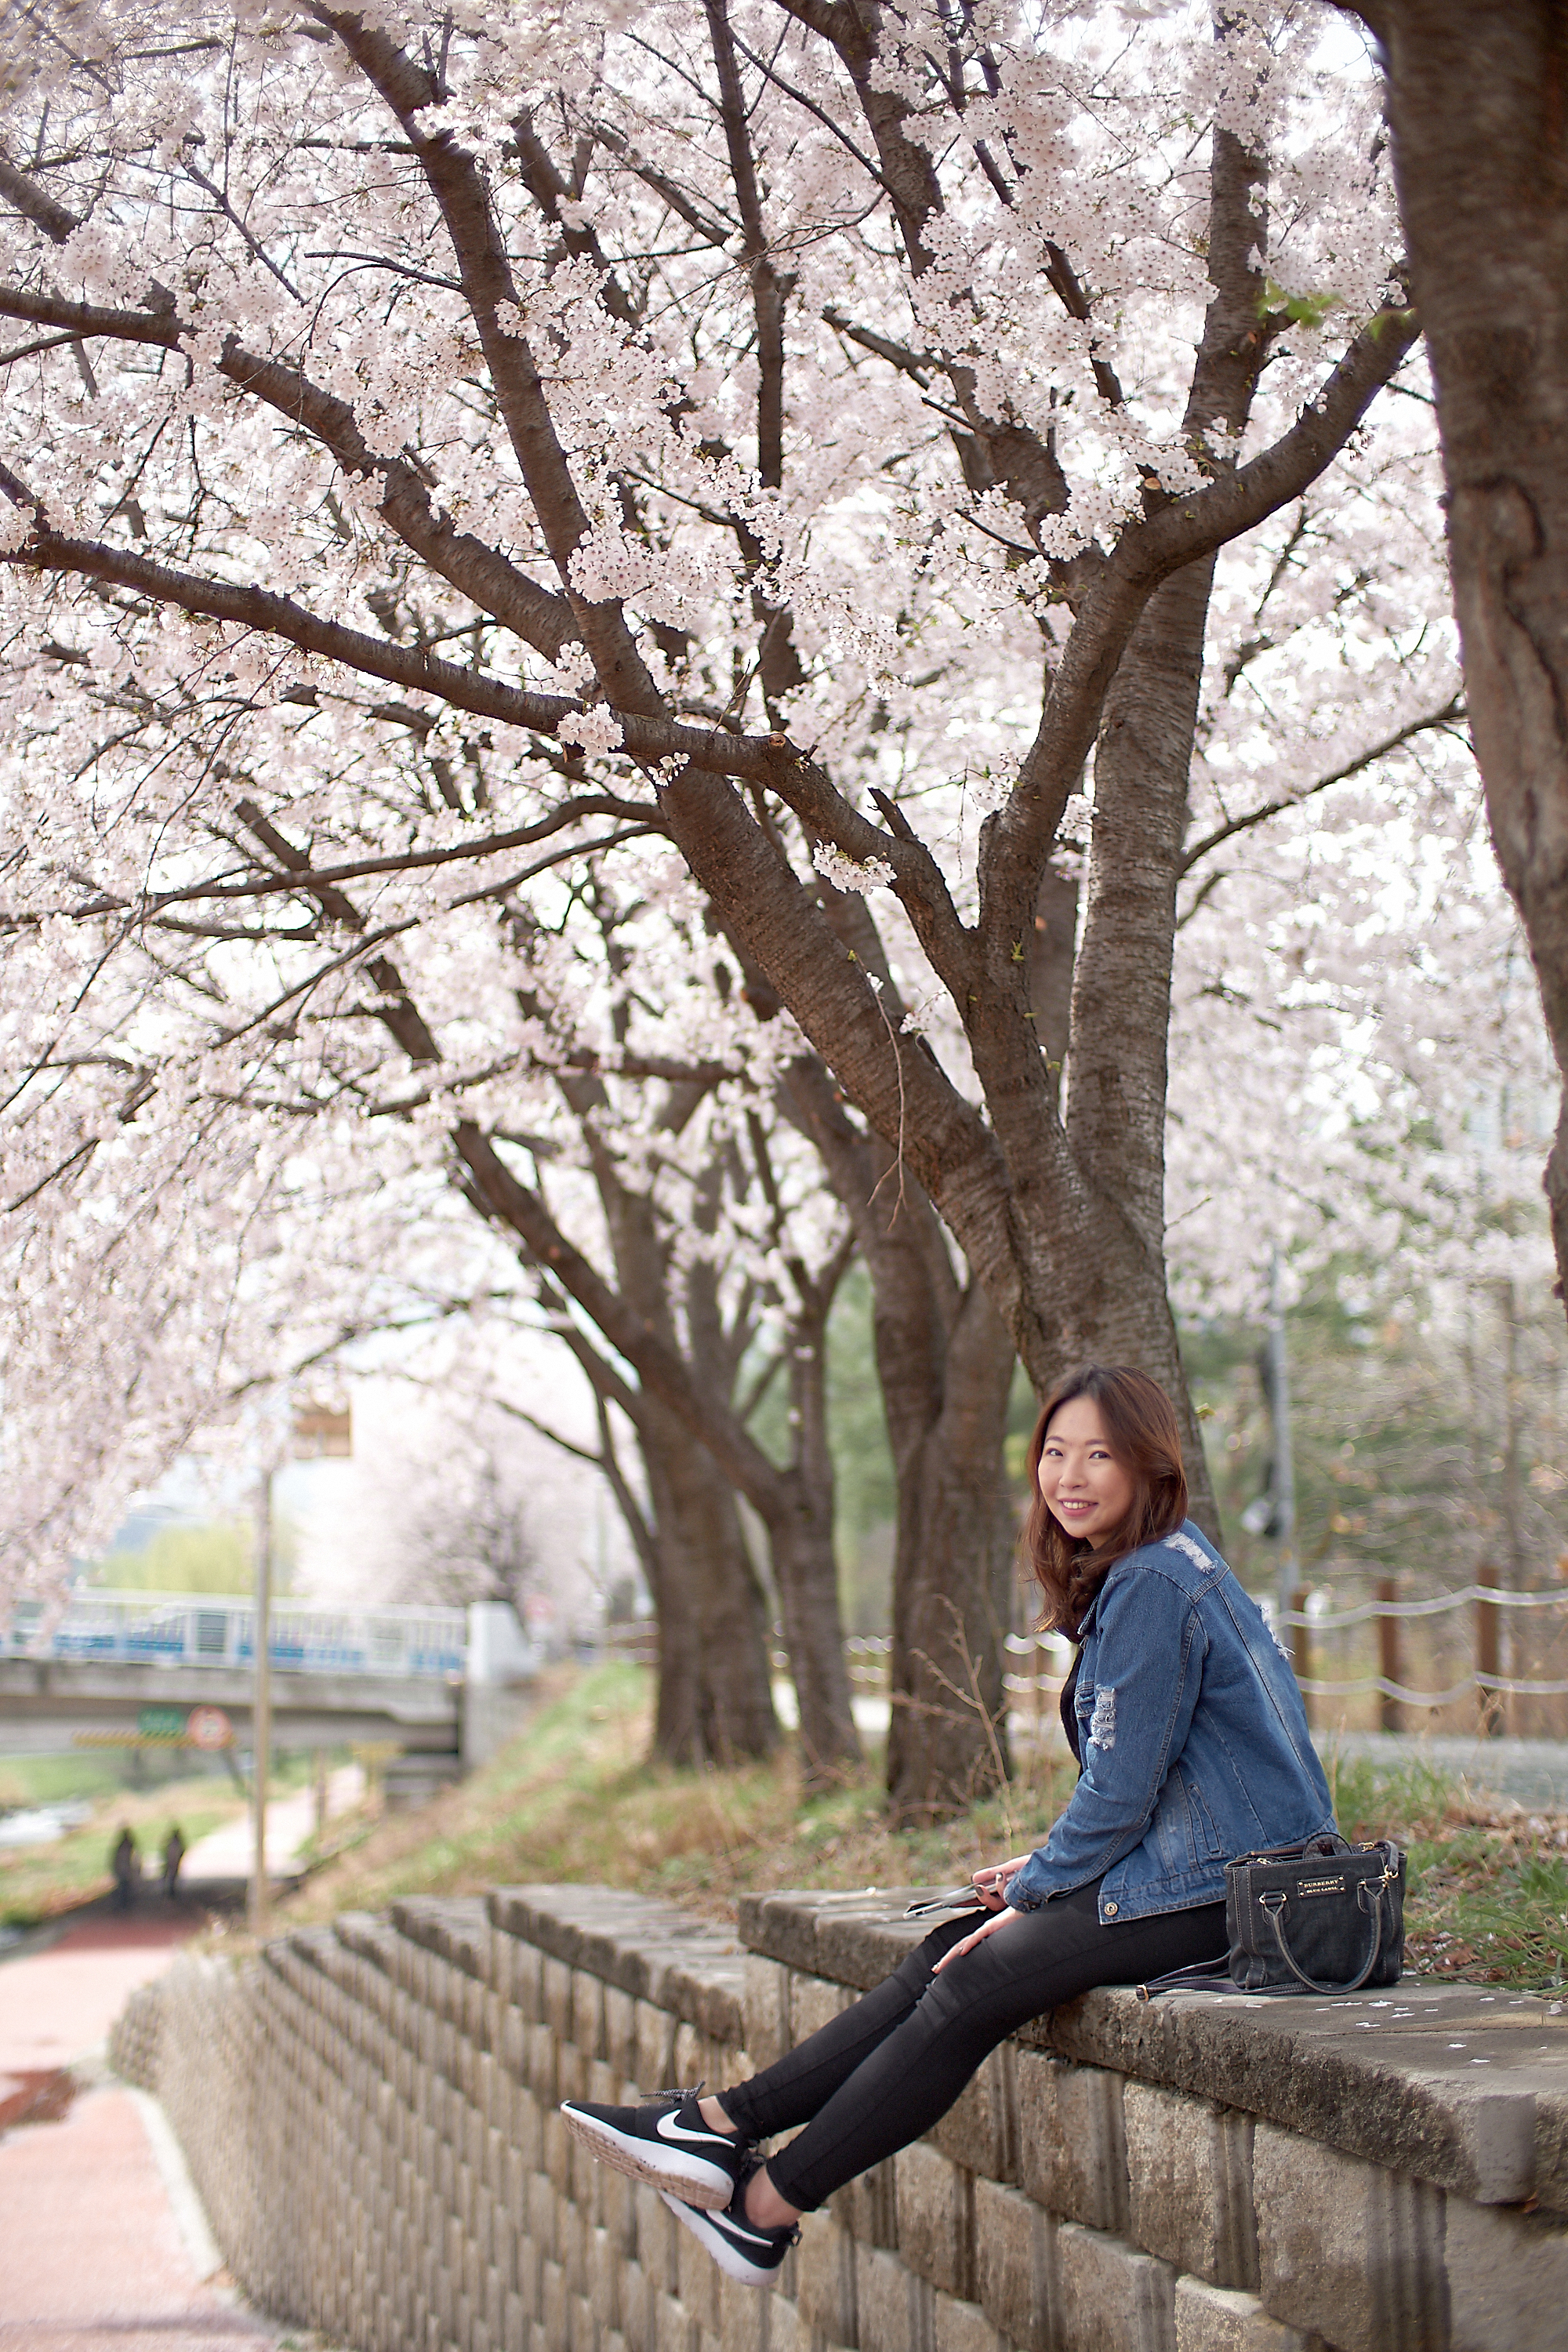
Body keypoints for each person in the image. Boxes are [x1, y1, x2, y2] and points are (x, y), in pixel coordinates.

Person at [561, 1363, 1336, 2285]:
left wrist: (1046, 1884)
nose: (1070, 1477)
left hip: (1235, 1895)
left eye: (1099, 1455)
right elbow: (1166, 1779)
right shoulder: (1166, 1565)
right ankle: (716, 2125)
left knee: (972, 1980)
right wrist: (1038, 1871)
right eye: (1054, 1452)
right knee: (948, 1949)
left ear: (1147, 1469)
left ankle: (763, 2207)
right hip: (1219, 1871)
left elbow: (1123, 1795)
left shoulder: (1152, 1586)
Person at [111, 1825, 139, 1912]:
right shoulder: (126, 1847)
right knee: (124, 1888)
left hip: (124, 1870)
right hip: (125, 1870)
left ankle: (124, 1904)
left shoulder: (123, 1847)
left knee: (125, 1888)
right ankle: (124, 1905)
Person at [162, 1823, 185, 1900]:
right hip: (173, 1862)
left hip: (172, 1861)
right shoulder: (177, 1843)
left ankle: (170, 1892)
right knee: (172, 1877)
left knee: (171, 1877)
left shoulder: (171, 1843)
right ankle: (171, 1892)